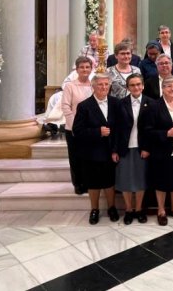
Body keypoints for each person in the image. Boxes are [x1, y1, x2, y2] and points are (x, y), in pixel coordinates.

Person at [72, 74, 120, 225]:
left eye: (106, 84)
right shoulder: (84, 106)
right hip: (91, 151)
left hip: (110, 151)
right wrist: (97, 132)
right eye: (100, 84)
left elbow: (120, 129)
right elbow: (77, 131)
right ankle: (94, 210)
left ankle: (112, 208)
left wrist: (116, 150)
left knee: (110, 181)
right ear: (93, 86)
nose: (104, 87)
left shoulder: (116, 103)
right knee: (93, 183)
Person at [144, 76, 173, 226]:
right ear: (163, 88)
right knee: (161, 182)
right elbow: (147, 131)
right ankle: (161, 210)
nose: (172, 89)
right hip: (162, 151)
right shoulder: (154, 106)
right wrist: (165, 134)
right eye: (169, 86)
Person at [112, 74, 152, 225]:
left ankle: (139, 209)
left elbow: (151, 129)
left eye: (138, 84)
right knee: (126, 180)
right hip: (125, 147)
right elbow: (116, 129)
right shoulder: (120, 104)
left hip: (142, 148)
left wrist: (147, 147)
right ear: (128, 88)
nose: (136, 87)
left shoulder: (151, 103)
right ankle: (129, 209)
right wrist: (115, 150)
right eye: (132, 85)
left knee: (141, 180)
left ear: (143, 86)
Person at [61, 56, 93, 195]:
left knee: (89, 156)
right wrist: (75, 126)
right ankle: (78, 183)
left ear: (91, 69)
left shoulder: (94, 85)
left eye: (87, 67)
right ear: (77, 69)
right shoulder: (70, 86)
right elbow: (66, 107)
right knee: (75, 157)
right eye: (82, 67)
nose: (85, 70)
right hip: (74, 128)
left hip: (91, 128)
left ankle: (88, 181)